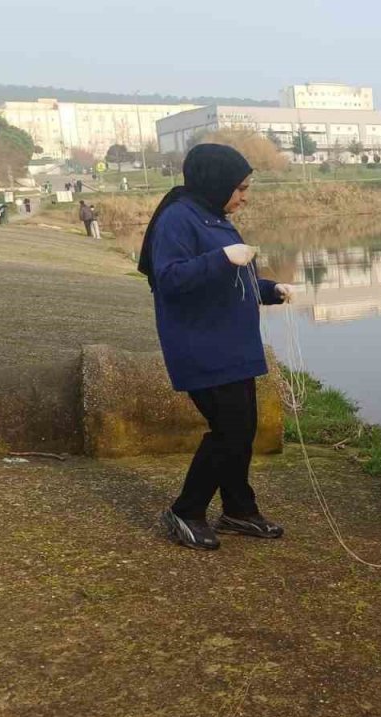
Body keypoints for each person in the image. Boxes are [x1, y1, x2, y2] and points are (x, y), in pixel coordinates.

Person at [137, 143, 295, 551]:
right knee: (230, 431)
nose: (244, 196)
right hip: (202, 346)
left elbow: (232, 280)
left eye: (246, 188)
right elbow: (170, 279)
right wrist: (224, 258)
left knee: (242, 432)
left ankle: (239, 510)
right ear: (215, 182)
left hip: (234, 347)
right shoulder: (178, 218)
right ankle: (186, 510)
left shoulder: (214, 216)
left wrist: (270, 290)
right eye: (239, 188)